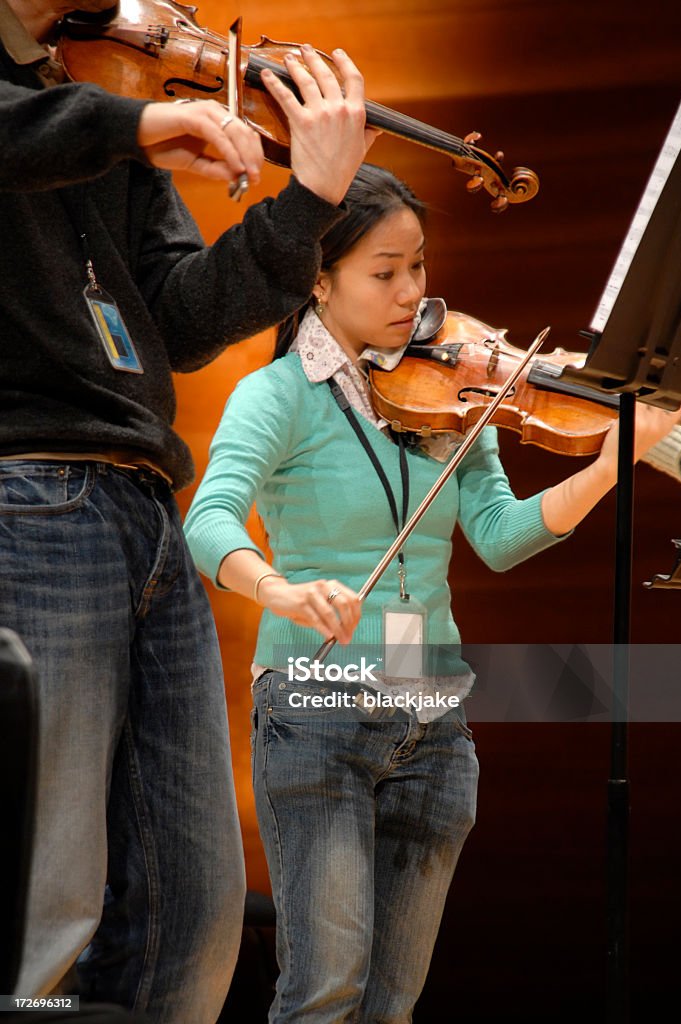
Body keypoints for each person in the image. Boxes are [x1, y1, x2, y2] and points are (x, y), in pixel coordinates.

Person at [183, 163, 681, 1024]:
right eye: (384, 272)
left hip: (430, 706)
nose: (412, 292)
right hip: (317, 707)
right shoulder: (275, 397)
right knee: (324, 990)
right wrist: (282, 591)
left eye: (419, 266)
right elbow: (209, 519)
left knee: (392, 1004)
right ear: (318, 278)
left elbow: (496, 535)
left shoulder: (450, 391)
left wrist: (608, 467)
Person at [0, 0, 376, 1020]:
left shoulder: (91, 83)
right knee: (45, 909)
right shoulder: (86, 109)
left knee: (194, 918)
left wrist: (310, 202)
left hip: (140, 499)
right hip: (25, 484)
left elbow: (175, 314)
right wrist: (127, 128)